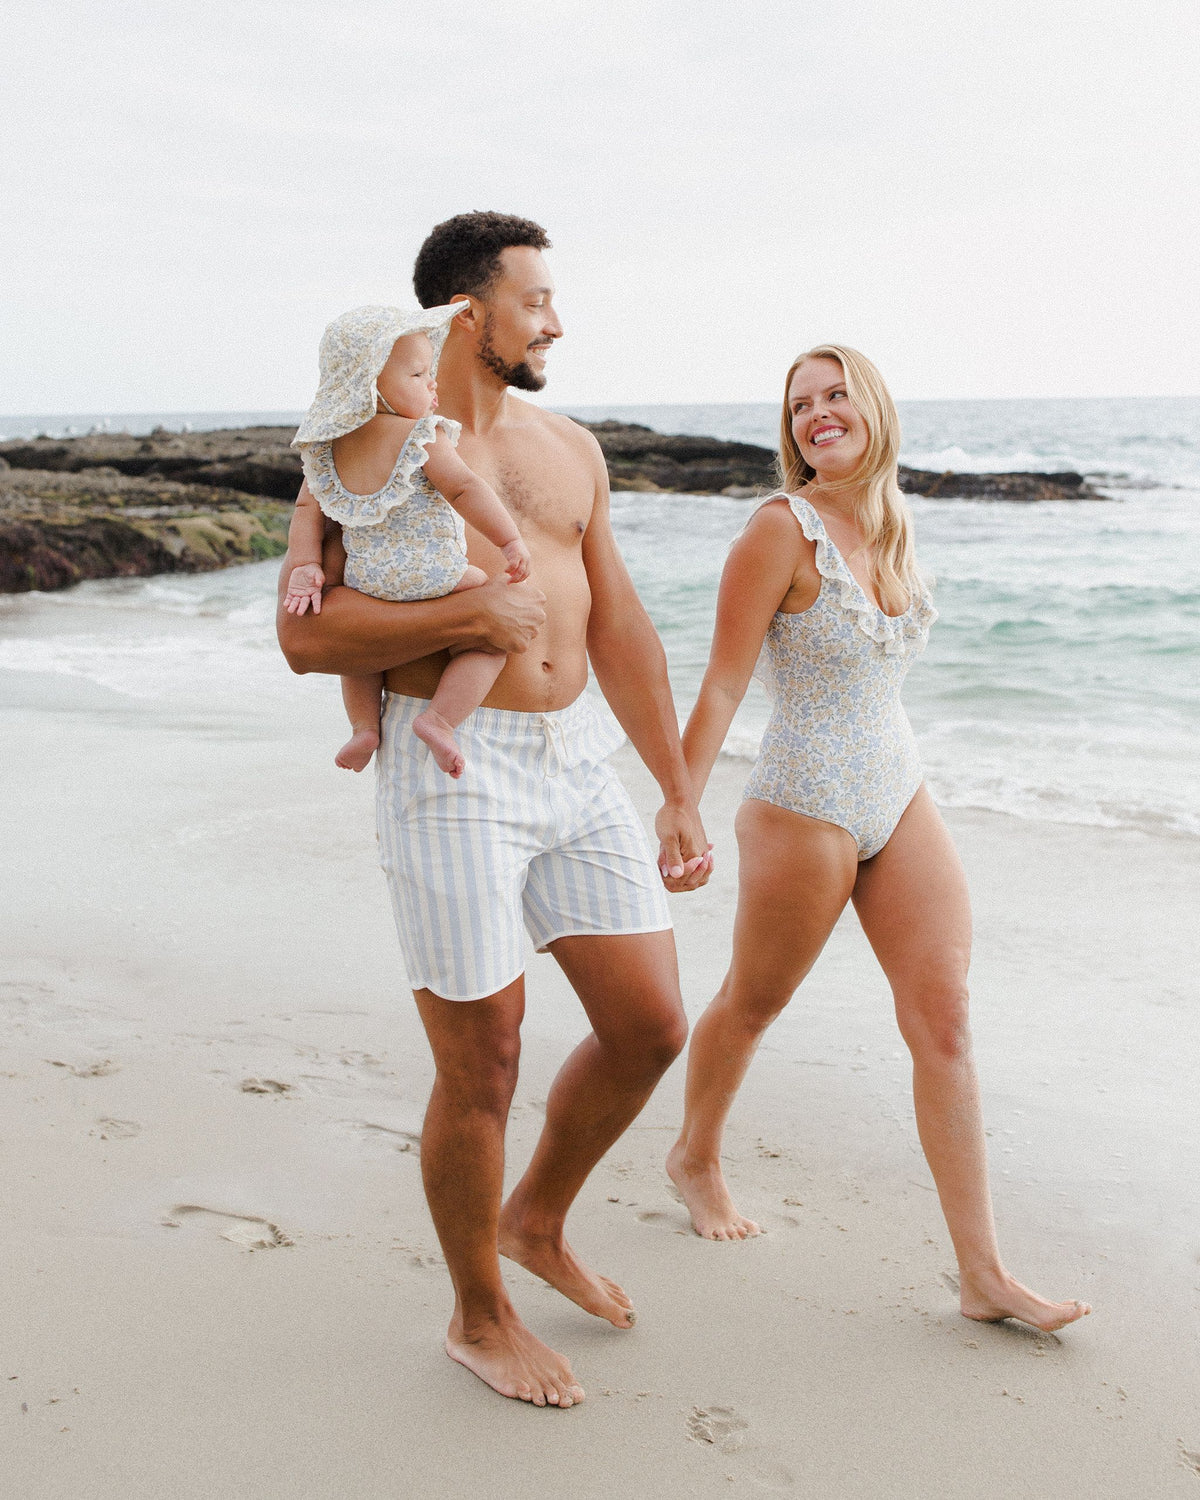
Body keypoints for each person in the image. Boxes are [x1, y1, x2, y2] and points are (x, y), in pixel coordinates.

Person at [277, 212, 712, 1407]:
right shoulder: (366, 452)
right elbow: (303, 638)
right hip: (447, 762)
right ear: (467, 317)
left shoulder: (571, 447)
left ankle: (537, 1219)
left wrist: (674, 787)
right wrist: (466, 621)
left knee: (650, 1025)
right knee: (485, 1062)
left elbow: (616, 620)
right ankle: (478, 1316)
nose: (555, 322)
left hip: (577, 763)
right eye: (536, 301)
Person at [662, 344, 1091, 1334]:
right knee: (754, 1003)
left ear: (872, 405)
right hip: (802, 802)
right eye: (800, 404)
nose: (818, 414)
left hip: (898, 792)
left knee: (943, 1019)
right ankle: (694, 1154)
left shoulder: (896, 523)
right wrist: (679, 802)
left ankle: (983, 1275)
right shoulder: (780, 529)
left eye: (834, 393)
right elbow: (725, 680)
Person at [284, 301, 532, 777]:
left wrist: (306, 566)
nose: (432, 384)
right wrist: (509, 541)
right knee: (491, 632)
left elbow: (305, 511)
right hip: (438, 575)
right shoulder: (422, 435)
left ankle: (363, 728)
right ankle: (439, 720)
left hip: (367, 583)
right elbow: (464, 488)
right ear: (371, 382)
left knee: (358, 656)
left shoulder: (328, 449)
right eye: (419, 375)